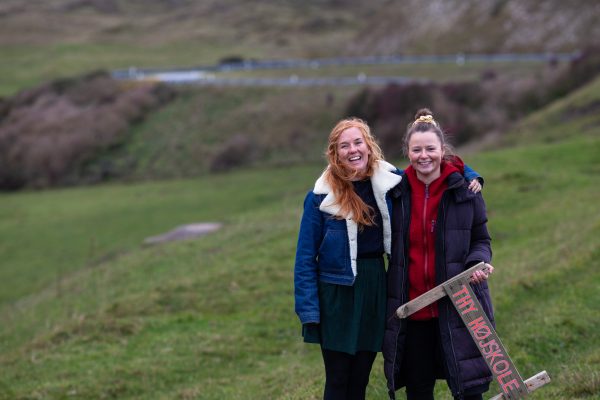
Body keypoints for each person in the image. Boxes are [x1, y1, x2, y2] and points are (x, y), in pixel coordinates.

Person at [294, 117, 483, 400]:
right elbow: (305, 259)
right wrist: (309, 311)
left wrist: (470, 175)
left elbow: (435, 162)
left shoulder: (389, 181)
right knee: (338, 378)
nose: (353, 150)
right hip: (337, 294)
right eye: (344, 146)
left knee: (360, 376)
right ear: (335, 153)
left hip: (375, 288)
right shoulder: (320, 197)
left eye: (358, 142)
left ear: (369, 146)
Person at [382, 109, 495, 400]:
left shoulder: (466, 190)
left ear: (442, 150)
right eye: (416, 149)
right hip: (414, 311)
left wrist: (476, 265)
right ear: (407, 152)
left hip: (460, 306)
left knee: (469, 390)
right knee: (419, 391)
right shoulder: (395, 193)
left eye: (430, 149)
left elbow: (482, 240)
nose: (424, 156)